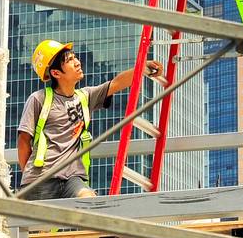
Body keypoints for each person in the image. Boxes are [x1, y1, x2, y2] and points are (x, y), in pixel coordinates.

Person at [16, 39, 163, 200]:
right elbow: (24, 140)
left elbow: (116, 83)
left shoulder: (85, 96)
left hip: (72, 178)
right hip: (41, 178)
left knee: (90, 203)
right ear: (56, 73)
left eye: (75, 57)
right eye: (69, 60)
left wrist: (143, 67)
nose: (77, 62)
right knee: (42, 225)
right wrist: (30, 177)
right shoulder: (39, 99)